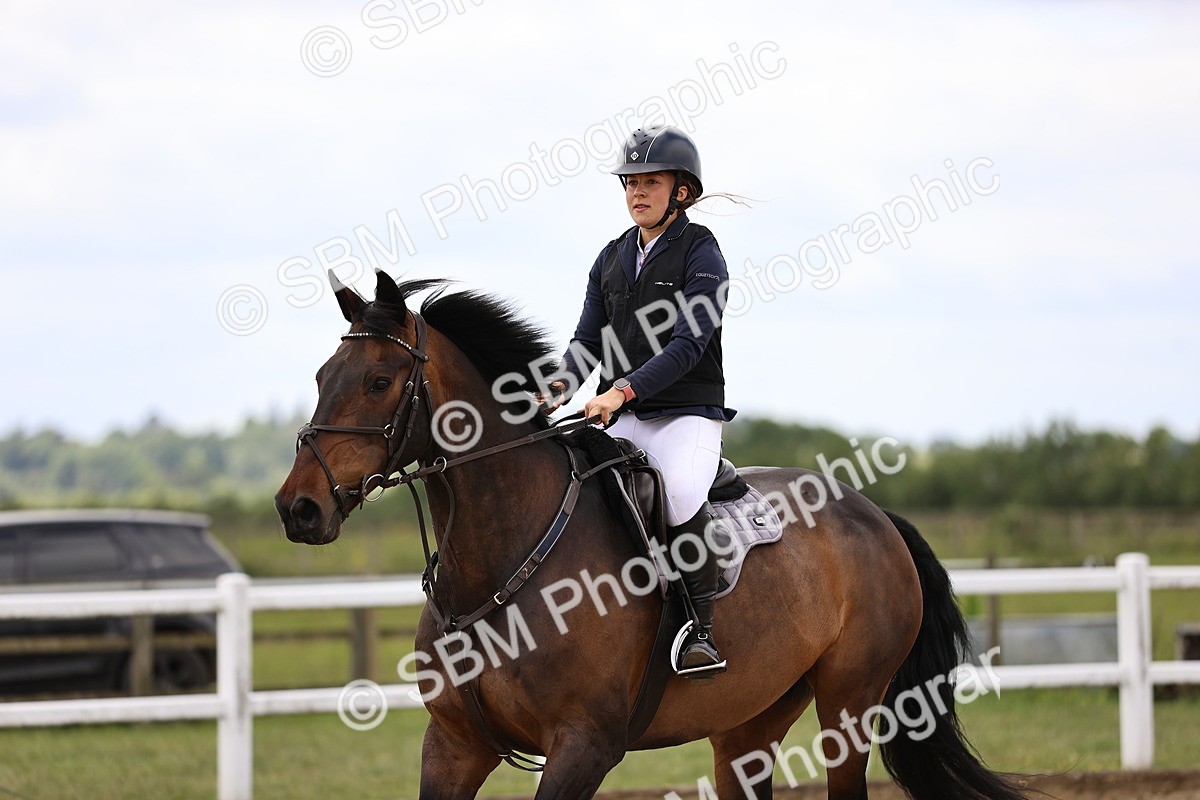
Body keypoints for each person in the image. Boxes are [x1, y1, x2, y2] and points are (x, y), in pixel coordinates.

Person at [542, 125, 735, 678]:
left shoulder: (702, 252)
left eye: (651, 182)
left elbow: (688, 345)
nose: (637, 192)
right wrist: (555, 391)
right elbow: (586, 343)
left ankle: (701, 632)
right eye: (630, 183)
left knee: (678, 494)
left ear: (681, 191)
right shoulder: (611, 258)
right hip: (622, 415)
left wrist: (622, 390)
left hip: (687, 415)